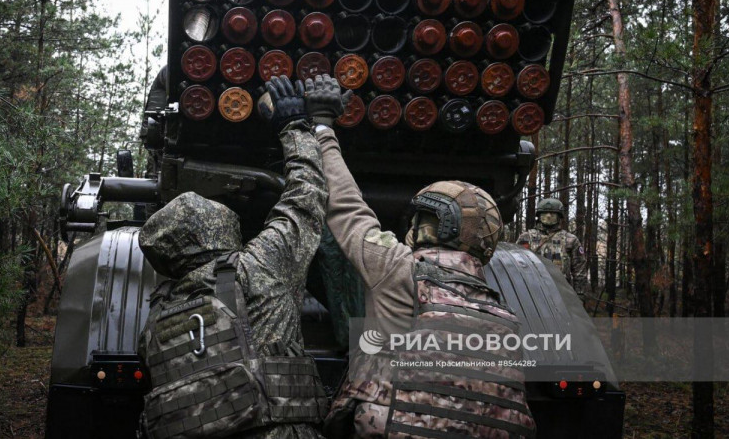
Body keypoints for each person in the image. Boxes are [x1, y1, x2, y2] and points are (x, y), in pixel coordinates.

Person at [304, 75, 536, 439]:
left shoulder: (399, 270)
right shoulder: (504, 319)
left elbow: (346, 205)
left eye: (421, 219)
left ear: (438, 227)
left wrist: (322, 125)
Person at [138, 76, 328, 439]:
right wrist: (293, 126)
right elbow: (306, 197)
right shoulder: (257, 268)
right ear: (217, 228)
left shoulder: (155, 322)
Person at [517, 198, 587, 294]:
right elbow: (517, 265)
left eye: (553, 213)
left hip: (561, 292)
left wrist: (579, 294)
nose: (549, 216)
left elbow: (579, 271)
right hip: (532, 291)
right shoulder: (526, 237)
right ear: (539, 215)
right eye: (545, 213)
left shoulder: (570, 240)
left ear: (559, 216)